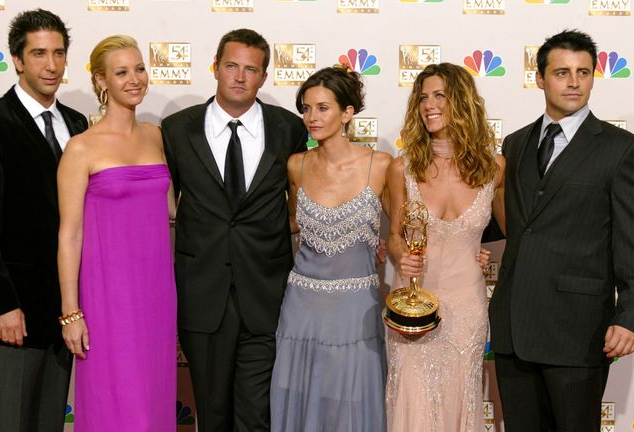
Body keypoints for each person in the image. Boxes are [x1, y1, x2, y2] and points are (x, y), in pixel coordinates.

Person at [489, 30, 634, 432]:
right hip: (514, 327)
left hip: (578, 330)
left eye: (583, 72)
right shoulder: (514, 144)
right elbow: (503, 222)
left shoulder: (621, 149)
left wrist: (631, 317)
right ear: (540, 78)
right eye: (562, 72)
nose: (574, 81)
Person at [161, 28, 308, 431]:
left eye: (251, 69)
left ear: (264, 77)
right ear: (215, 68)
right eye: (231, 66)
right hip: (202, 293)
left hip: (266, 294)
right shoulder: (176, 130)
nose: (240, 77)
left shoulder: (289, 128)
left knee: (256, 414)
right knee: (212, 415)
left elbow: (304, 199)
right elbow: (163, 204)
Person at [0, 9, 86, 431]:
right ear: (17, 59)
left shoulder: (78, 126)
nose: (51, 65)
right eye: (39, 53)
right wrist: (1, 305)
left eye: (59, 53)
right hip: (11, 316)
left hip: (63, 316)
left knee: (48, 424)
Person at [57, 35, 176, 431]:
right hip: (108, 297)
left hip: (156, 292)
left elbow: (173, 212)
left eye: (140, 68)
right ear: (101, 81)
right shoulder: (81, 148)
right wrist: (72, 313)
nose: (135, 79)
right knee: (116, 403)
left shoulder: (157, 136)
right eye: (122, 72)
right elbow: (69, 235)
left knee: (153, 401)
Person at [385, 62, 506, 431]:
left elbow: (514, 232)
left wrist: (483, 254)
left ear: (462, 101)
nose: (428, 105)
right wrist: (400, 257)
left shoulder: (495, 168)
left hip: (466, 307)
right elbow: (393, 236)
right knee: (412, 400)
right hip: (413, 307)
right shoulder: (401, 168)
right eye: (423, 97)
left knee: (461, 397)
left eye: (439, 95)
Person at [269, 66, 391, 432]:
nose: (311, 118)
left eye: (323, 108)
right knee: (300, 398)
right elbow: (291, 223)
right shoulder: (296, 165)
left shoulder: (381, 165)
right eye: (306, 109)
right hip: (302, 307)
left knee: (349, 408)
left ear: (348, 113)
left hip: (356, 309)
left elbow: (406, 231)